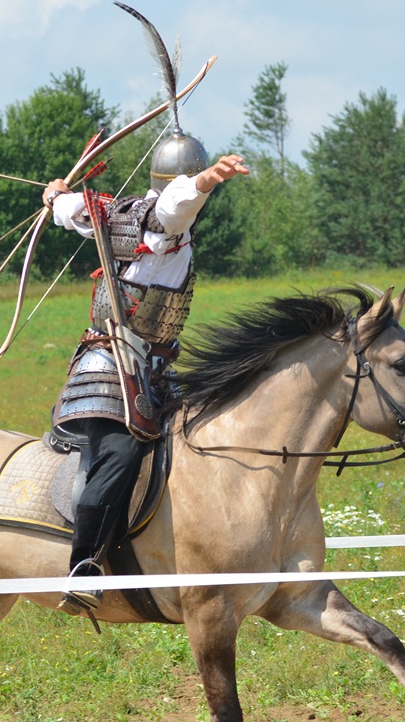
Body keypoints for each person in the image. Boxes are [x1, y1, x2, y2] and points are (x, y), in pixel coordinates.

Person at [42, 127, 247, 615]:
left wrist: (56, 198)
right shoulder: (167, 217)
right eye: (191, 179)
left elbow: (74, 211)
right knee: (121, 452)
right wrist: (207, 180)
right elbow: (177, 202)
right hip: (111, 366)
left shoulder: (117, 212)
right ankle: (84, 566)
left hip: (155, 367)